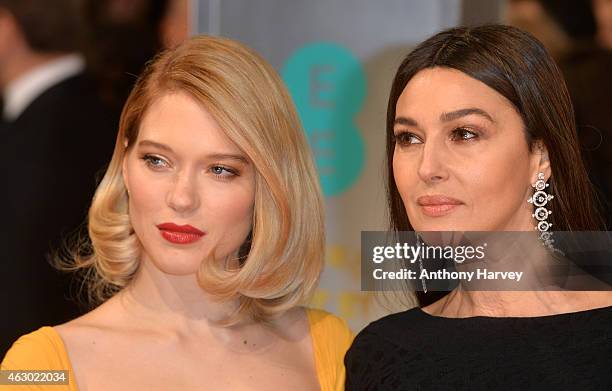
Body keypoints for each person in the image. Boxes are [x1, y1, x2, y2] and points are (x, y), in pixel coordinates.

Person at [2, 36, 352, 391]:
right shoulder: (37, 365)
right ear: (124, 162)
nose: (182, 198)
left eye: (220, 169)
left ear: (270, 185)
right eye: (157, 161)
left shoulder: (329, 346)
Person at [345, 24, 612, 390]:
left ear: (541, 154)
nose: (427, 168)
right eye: (409, 138)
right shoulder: (384, 354)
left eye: (464, 133)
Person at [0, 0, 115, 355]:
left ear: (6, 27)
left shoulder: (49, 133)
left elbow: (23, 282)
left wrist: (25, 377)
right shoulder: (97, 105)